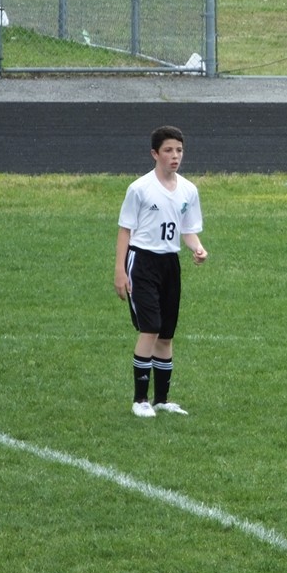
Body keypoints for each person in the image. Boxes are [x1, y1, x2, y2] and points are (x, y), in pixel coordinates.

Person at [115, 125, 208, 418]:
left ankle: (162, 400)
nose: (175, 156)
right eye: (168, 150)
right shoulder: (140, 189)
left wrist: (197, 248)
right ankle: (140, 400)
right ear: (155, 154)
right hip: (142, 262)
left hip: (170, 264)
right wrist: (120, 270)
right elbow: (125, 229)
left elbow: (187, 229)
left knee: (166, 335)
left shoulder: (188, 190)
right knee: (150, 328)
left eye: (179, 150)